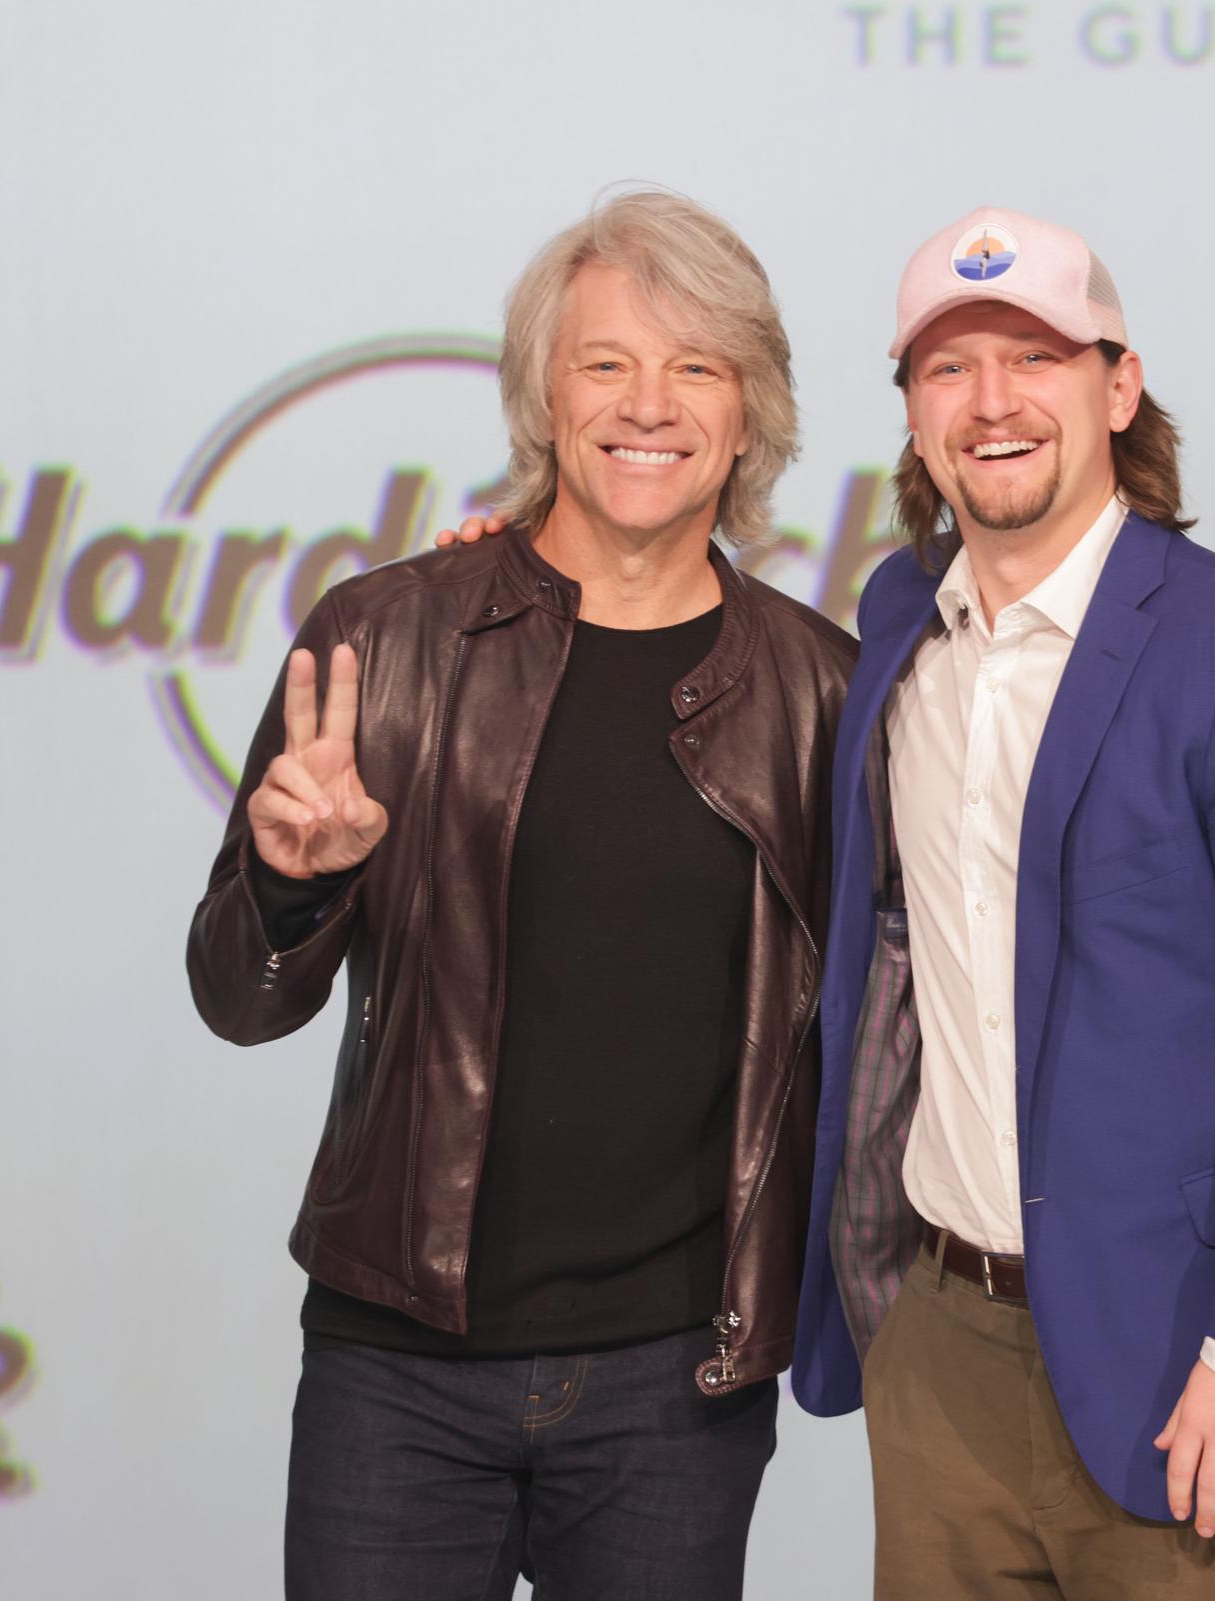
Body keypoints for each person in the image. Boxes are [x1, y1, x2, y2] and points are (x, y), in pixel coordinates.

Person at [186, 189, 854, 1601]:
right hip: (400, 1372)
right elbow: (235, 994)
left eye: (697, 366)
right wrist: (296, 885)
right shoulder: (388, 636)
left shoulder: (821, 689)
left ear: (751, 413)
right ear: (545, 395)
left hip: (677, 1382)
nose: (648, 404)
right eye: (606, 361)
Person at [785, 207, 1215, 1598]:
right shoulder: (899, 620)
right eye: (950, 369)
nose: (995, 401)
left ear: (1118, 386)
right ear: (911, 414)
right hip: (945, 1355)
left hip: (1201, 1373)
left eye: (1037, 356)